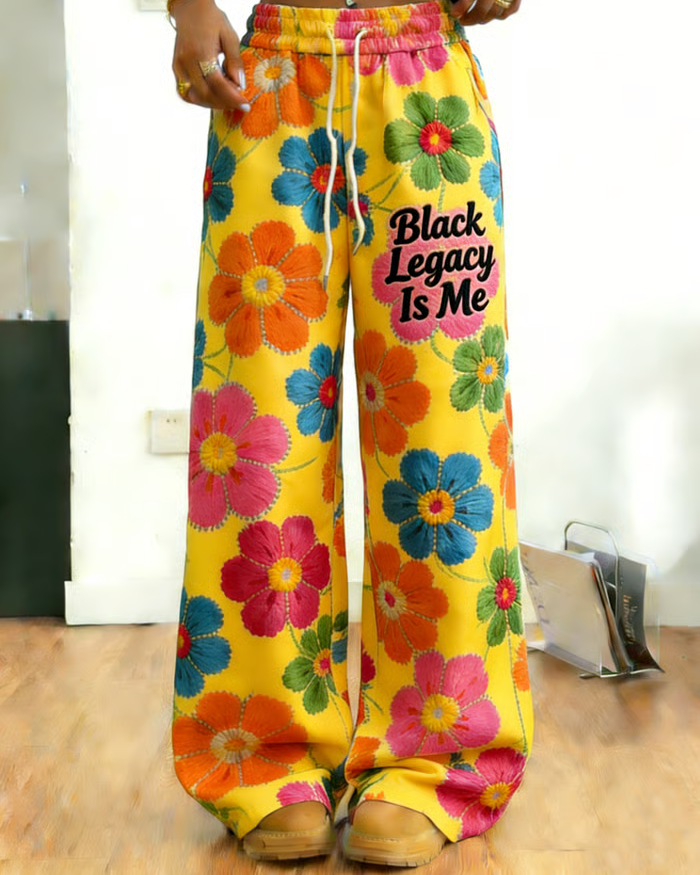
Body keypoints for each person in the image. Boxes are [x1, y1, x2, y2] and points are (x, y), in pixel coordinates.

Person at [169, 0, 532, 867]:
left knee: (443, 437)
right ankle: (265, 753)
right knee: (256, 436)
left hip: (426, 98)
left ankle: (436, 756)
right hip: (269, 88)